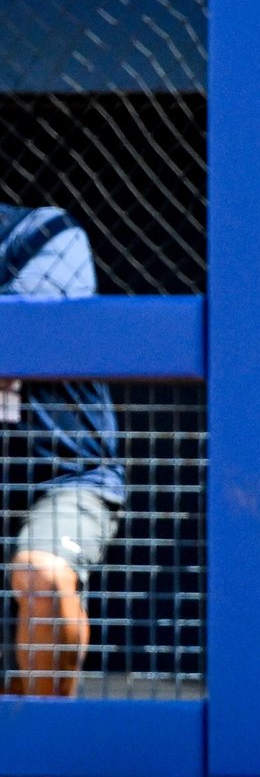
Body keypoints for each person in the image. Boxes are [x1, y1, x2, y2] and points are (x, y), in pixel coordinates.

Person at [2, 205, 124, 697]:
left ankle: (46, 734)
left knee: (43, 576)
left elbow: (19, 345)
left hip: (65, 475)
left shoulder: (45, 232)